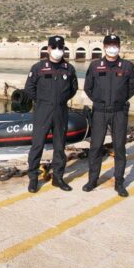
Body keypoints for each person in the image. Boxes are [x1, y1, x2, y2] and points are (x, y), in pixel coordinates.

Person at [83, 34, 134, 197]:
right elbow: (88, 87)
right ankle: (92, 180)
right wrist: (99, 101)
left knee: (120, 147)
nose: (112, 47)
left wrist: (119, 100)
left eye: (115, 44)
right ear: (104, 46)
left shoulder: (127, 66)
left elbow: (132, 87)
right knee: (95, 147)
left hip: (119, 112)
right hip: (99, 112)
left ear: (119, 46)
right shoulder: (95, 66)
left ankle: (119, 182)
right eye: (109, 45)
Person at [25, 36, 78, 193]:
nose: (57, 51)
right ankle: (33, 179)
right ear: (48, 49)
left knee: (60, 146)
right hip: (43, 110)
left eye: (60, 48)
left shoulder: (69, 68)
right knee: (38, 145)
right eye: (54, 47)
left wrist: (61, 100)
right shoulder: (38, 67)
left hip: (61, 110)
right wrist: (42, 101)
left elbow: (73, 88)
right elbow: (29, 88)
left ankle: (58, 178)